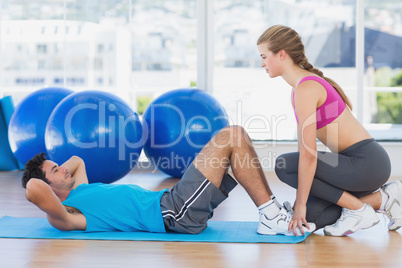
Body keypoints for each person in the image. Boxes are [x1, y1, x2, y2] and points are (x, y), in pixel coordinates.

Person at [22, 126, 315, 236]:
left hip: (172, 200)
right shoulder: (70, 214)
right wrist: (41, 181)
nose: (64, 169)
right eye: (55, 171)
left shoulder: (81, 187)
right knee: (231, 137)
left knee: (240, 137)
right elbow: (34, 189)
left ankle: (271, 210)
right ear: (48, 186)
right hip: (171, 213)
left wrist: (56, 171)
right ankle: (270, 216)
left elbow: (78, 161)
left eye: (59, 166)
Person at [257, 25, 402, 236]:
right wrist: (302, 204)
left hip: (365, 163)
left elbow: (307, 156)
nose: (262, 64)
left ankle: (360, 209)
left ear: (281, 54)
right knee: (312, 219)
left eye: (264, 56)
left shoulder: (306, 88)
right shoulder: (298, 90)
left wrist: (299, 205)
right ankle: (383, 199)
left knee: (284, 165)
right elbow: (304, 153)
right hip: (352, 166)